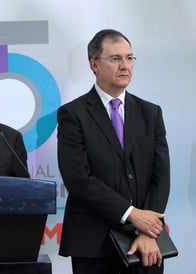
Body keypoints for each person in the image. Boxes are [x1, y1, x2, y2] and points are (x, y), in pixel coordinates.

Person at [57, 29, 170, 274]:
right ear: (94, 64)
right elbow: (78, 179)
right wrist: (131, 214)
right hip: (93, 244)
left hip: (147, 245)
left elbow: (161, 177)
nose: (125, 65)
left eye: (129, 58)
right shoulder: (73, 115)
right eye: (115, 59)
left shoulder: (150, 113)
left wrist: (147, 229)